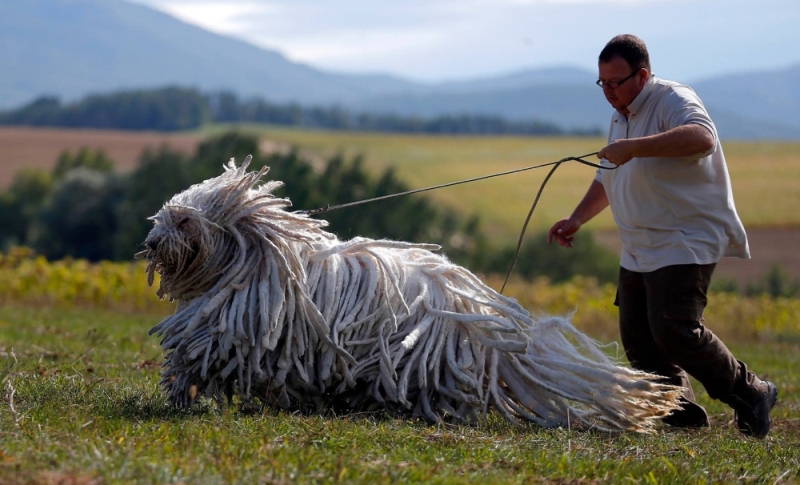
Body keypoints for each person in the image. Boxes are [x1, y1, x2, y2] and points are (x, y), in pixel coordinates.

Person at [547, 34, 777, 437]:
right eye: (602, 83)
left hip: (684, 237)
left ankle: (752, 392)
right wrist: (577, 218)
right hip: (639, 244)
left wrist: (634, 147)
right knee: (638, 336)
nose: (609, 92)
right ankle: (677, 410)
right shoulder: (621, 112)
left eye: (616, 82)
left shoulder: (673, 99)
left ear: (643, 75)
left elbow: (702, 138)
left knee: (674, 328)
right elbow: (609, 178)